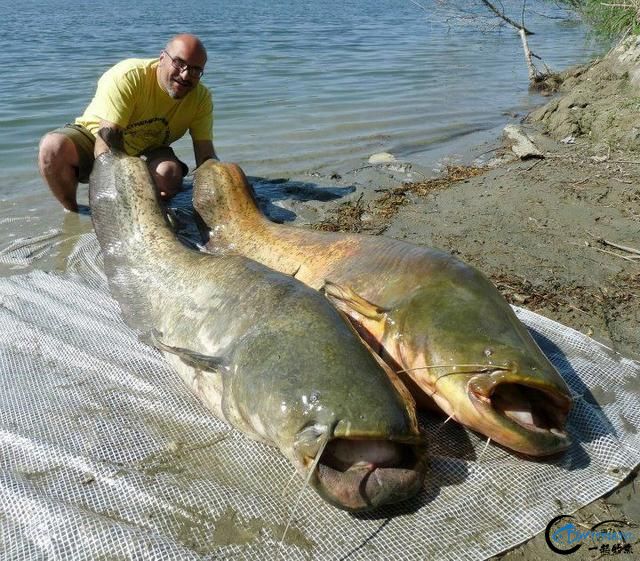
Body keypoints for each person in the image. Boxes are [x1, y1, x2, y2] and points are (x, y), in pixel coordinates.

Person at [38, 34, 218, 212]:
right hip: (98, 138)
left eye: (195, 70)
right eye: (179, 63)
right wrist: (121, 190)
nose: (185, 75)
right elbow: (106, 146)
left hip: (150, 146)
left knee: (168, 174)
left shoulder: (201, 98)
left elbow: (205, 157)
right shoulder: (129, 76)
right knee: (52, 147)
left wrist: (222, 184)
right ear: (162, 58)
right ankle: (75, 212)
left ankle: (152, 213)